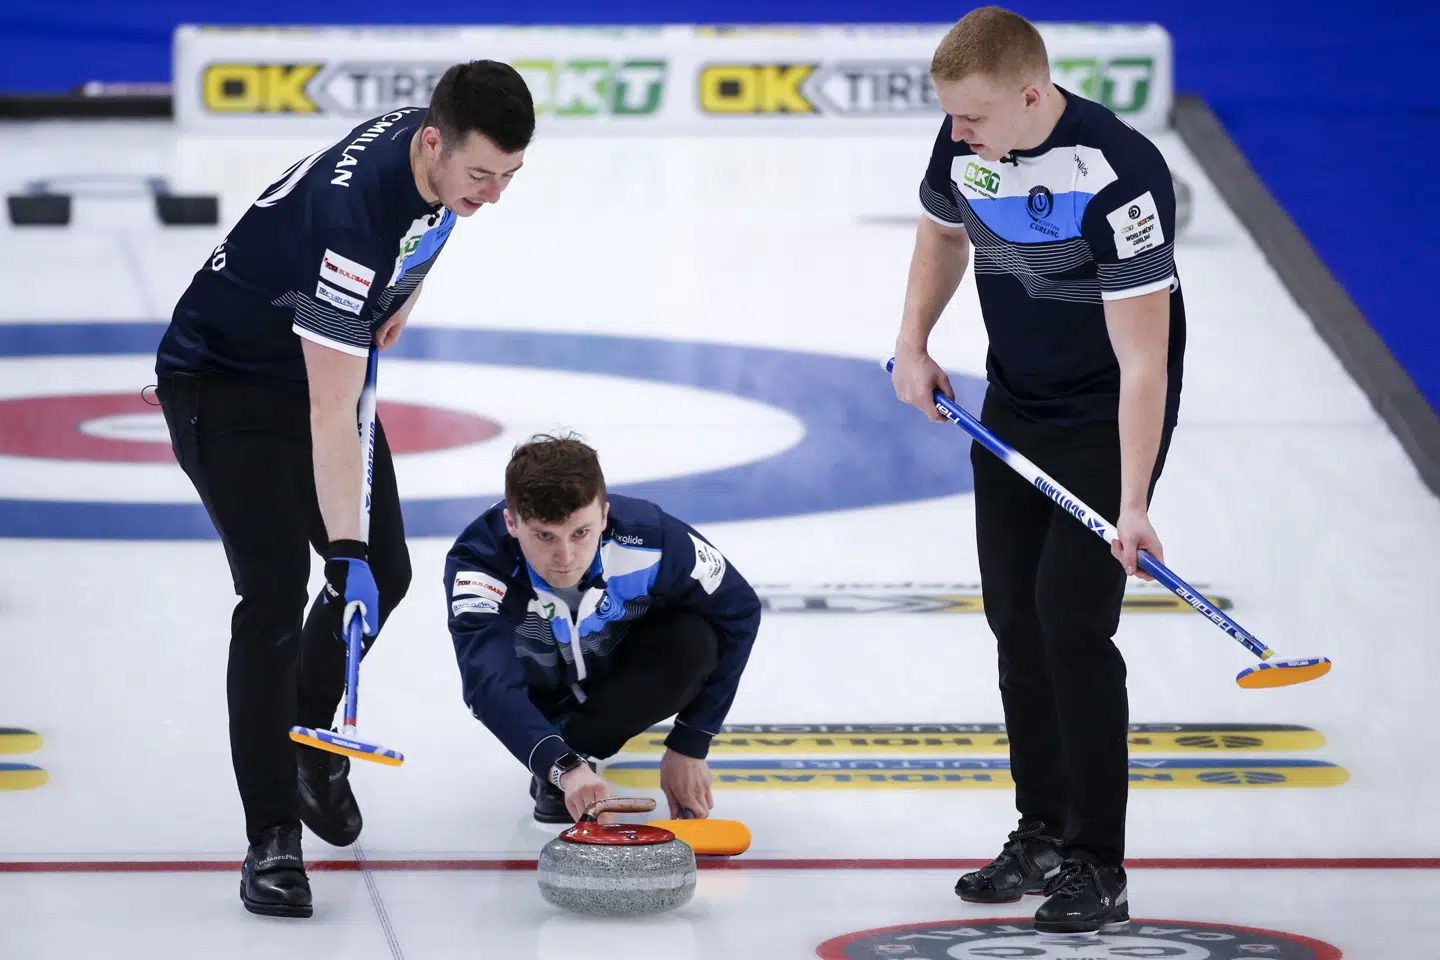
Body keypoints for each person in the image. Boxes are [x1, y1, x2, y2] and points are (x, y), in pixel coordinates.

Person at [152, 61, 536, 918]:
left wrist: (406, 293)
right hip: (223, 380)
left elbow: (432, 224)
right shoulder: (349, 223)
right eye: (482, 176)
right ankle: (271, 838)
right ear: (434, 143)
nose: (494, 197)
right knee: (279, 587)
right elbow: (334, 413)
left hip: (309, 357)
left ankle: (305, 738)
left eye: (511, 177)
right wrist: (345, 550)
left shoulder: (433, 149)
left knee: (388, 574)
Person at [889, 7, 1185, 935]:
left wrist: (1133, 504)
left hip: (1105, 417)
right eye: (951, 118)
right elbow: (944, 232)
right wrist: (914, 341)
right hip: (1016, 400)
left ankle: (1099, 863)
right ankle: (1043, 831)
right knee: (1016, 619)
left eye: (972, 117)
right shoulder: (965, 137)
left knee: (1070, 622)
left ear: (1030, 93)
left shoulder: (1121, 172)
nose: (958, 133)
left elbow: (1146, 363)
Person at [443, 434, 762, 825]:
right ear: (512, 522)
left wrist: (691, 741)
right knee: (497, 677)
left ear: (605, 515)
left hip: (617, 668)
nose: (565, 557)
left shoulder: (653, 538)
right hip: (540, 695)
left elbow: (740, 611)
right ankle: (559, 759)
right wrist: (560, 764)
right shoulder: (479, 563)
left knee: (693, 641)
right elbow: (487, 684)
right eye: (544, 536)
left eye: (581, 533)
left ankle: (578, 743)